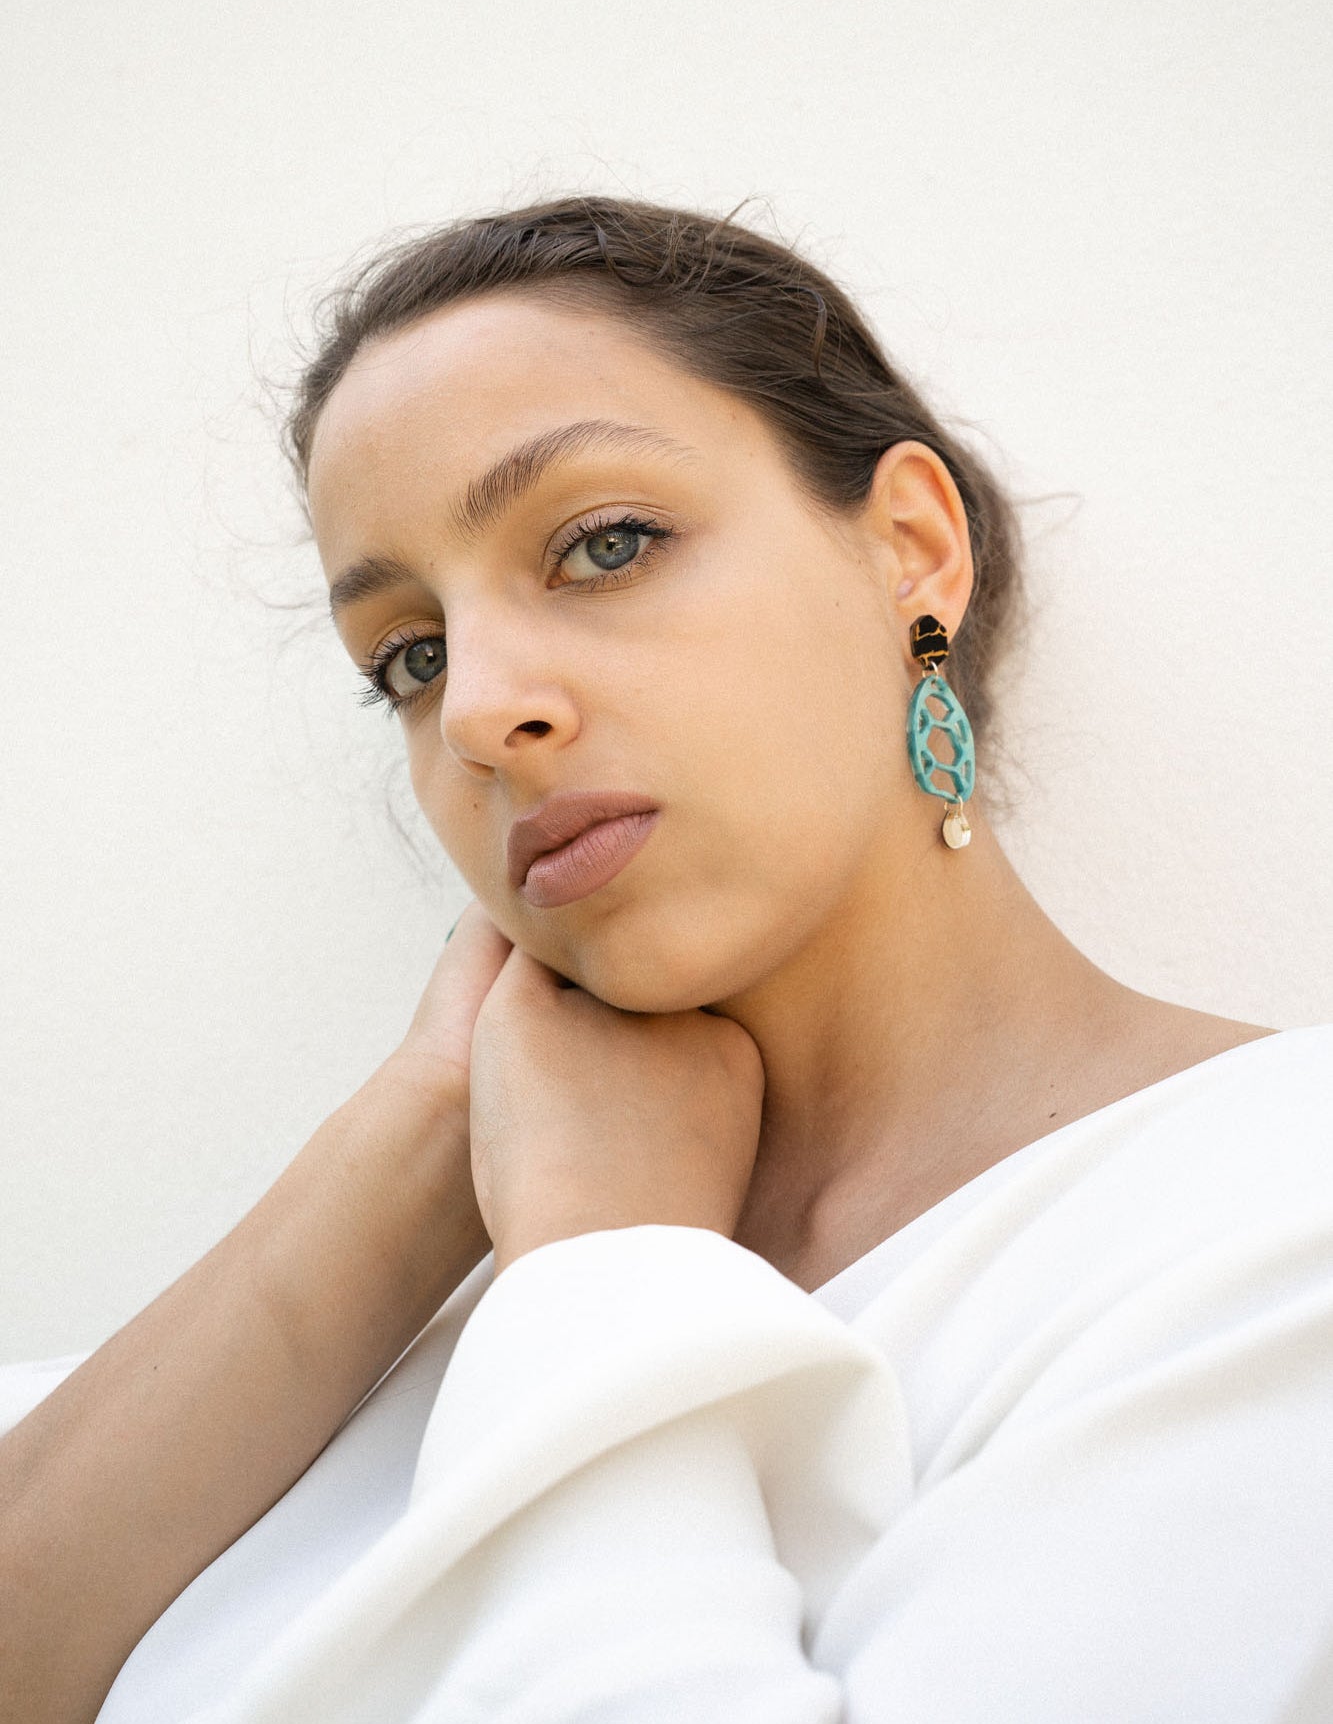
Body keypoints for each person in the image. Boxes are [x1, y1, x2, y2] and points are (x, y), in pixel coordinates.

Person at [2, 195, 1330, 1724]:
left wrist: (601, 1268)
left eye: (602, 543)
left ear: (910, 547)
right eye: (410, 656)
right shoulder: (373, 1336)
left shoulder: (1275, 1208)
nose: (484, 707)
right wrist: (425, 1130)